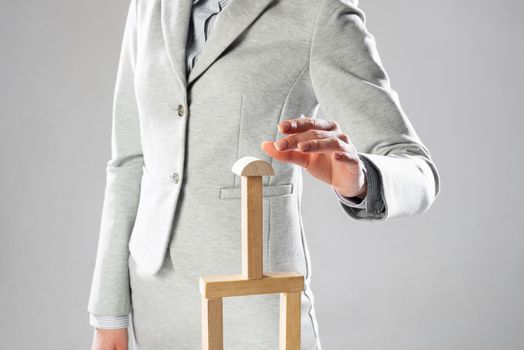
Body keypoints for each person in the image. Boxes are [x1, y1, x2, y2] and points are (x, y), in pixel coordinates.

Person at [88, 0, 441, 348]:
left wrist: (360, 179)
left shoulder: (318, 11)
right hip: (155, 302)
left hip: (257, 301)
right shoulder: (149, 6)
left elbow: (417, 170)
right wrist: (109, 314)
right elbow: (130, 161)